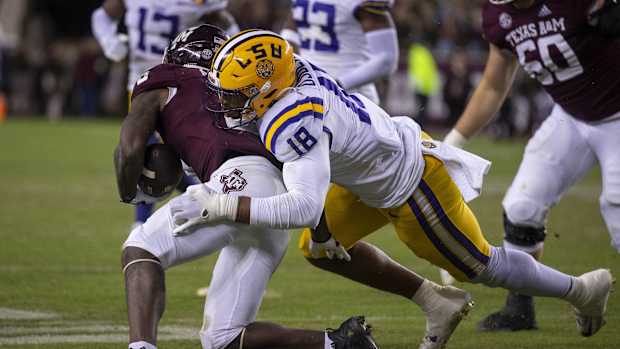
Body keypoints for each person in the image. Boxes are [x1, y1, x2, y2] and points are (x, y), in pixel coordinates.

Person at [172, 30, 614, 347]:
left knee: (480, 267)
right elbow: (314, 177)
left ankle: (581, 290)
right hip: (367, 171)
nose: (226, 102)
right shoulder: (290, 74)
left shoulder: (290, 118)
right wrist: (323, 225)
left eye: (235, 93)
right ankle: (434, 302)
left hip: (408, 183)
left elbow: (304, 204)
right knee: (320, 247)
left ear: (268, 87)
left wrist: (223, 204)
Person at [114, 25, 379, 349]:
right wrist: (321, 232)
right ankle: (339, 343)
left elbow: (130, 146)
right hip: (276, 203)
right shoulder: (246, 93)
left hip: (238, 182)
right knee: (222, 338)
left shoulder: (163, 77)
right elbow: (296, 174)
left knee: (141, 247)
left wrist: (129, 191)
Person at [442, 0, 620, 332]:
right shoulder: (500, 16)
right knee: (522, 207)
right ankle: (520, 309)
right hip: (570, 116)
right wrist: (453, 142)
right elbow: (494, 85)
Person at [92, 0, 239, 229]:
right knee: (150, 153)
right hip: (141, 85)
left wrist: (231, 59)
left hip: (181, 87)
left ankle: (220, 199)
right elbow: (101, 16)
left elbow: (226, 26)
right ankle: (213, 199)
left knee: (165, 155)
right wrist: (109, 41)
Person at [281, 0, 398, 104]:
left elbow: (386, 59)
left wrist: (337, 85)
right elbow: (291, 32)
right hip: (308, 92)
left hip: (352, 99)